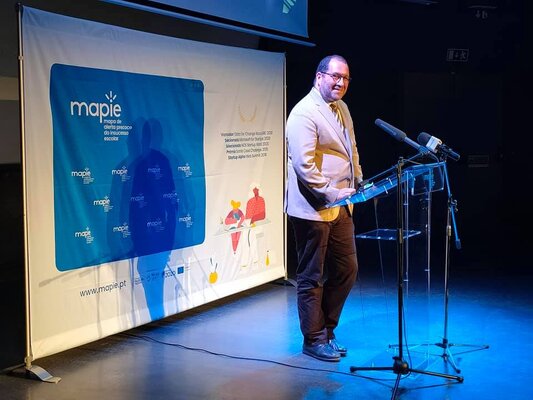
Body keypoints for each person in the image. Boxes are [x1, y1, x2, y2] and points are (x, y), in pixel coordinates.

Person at [285, 55, 363, 362]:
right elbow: (304, 166)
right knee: (312, 275)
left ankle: (327, 330)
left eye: (345, 78)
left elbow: (351, 149)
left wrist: (358, 181)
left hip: (343, 205)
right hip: (313, 207)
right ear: (319, 77)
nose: (340, 83)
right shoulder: (304, 113)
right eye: (335, 76)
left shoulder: (342, 108)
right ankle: (313, 338)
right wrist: (332, 193)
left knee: (347, 269)